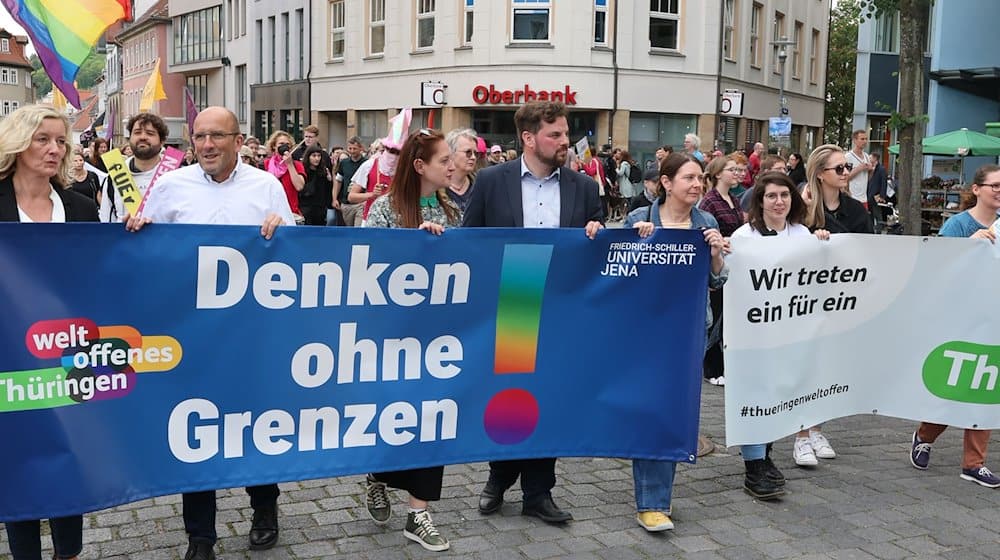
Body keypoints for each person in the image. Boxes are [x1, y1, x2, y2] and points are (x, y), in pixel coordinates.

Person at [124, 107, 294, 560]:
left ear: (239, 140)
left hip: (250, 334)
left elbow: (298, 258)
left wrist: (284, 232)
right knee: (193, 430)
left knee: (256, 425)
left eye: (217, 136)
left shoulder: (267, 186)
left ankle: (264, 507)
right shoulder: (171, 187)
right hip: (190, 336)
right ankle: (201, 536)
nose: (207, 145)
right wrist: (137, 232)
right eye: (200, 136)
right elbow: (148, 251)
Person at [463, 101, 603, 525]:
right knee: (510, 399)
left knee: (550, 398)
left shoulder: (583, 186)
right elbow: (469, 243)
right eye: (555, 135)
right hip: (514, 301)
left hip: (563, 307)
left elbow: (597, 243)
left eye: (565, 134)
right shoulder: (490, 181)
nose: (565, 141)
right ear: (528, 138)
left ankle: (539, 493)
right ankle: (498, 476)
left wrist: (597, 232)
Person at [0, 104, 98, 560]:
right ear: (18, 143)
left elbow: (101, 275)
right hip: (8, 358)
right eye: (43, 139)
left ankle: (69, 552)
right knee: (19, 462)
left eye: (61, 141)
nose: (55, 149)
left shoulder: (81, 207)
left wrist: (137, 234)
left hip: (67, 356)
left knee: (68, 457)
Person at [361, 133, 461, 551]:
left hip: (437, 340)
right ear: (420, 166)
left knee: (432, 419)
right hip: (390, 338)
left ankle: (418, 512)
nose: (453, 167)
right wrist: (413, 247)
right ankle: (377, 475)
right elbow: (363, 266)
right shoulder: (385, 209)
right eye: (444, 160)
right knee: (393, 418)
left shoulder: (452, 209)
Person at [624, 152, 727, 531]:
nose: (698, 184)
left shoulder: (707, 222)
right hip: (645, 333)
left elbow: (717, 282)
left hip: (689, 333)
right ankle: (651, 503)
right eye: (689, 178)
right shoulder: (639, 219)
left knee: (672, 413)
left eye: (700, 178)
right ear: (666, 182)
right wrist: (635, 244)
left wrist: (715, 255)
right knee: (652, 412)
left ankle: (655, 499)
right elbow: (616, 272)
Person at [731, 172, 830, 499]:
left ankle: (765, 455)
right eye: (771, 196)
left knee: (777, 395)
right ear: (759, 201)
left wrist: (826, 246)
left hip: (790, 334)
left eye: (784, 195)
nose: (779, 202)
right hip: (754, 334)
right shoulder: (744, 237)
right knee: (756, 394)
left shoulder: (803, 234)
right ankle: (754, 466)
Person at [909, 164, 1000, 488]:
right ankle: (924, 434)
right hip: (962, 319)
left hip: (994, 320)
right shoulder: (959, 225)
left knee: (987, 389)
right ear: (977, 189)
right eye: (995, 185)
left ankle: (974, 464)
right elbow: (939, 269)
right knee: (956, 388)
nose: (999, 191)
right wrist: (969, 247)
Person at [794, 143, 874, 467]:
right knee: (805, 364)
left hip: (841, 299)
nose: (846, 173)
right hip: (805, 300)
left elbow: (866, 247)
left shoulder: (855, 210)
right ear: (820, 174)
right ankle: (800, 434)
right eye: (839, 169)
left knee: (828, 365)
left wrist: (834, 238)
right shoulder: (802, 209)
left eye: (845, 167)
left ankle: (816, 427)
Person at [699, 154, 747, 387]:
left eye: (738, 170)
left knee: (727, 317)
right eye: (731, 170)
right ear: (718, 174)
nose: (736, 174)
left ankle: (723, 364)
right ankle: (710, 366)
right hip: (718, 262)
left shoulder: (734, 200)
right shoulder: (709, 201)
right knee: (716, 315)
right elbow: (704, 231)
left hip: (732, 264)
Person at [99, 112, 168, 223]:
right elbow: (106, 221)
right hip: (124, 239)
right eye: (137, 132)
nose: (143, 137)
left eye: (150, 133)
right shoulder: (115, 175)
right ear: (130, 138)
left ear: (162, 141)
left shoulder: (176, 173)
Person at [265, 130, 306, 220]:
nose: (284, 146)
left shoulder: (297, 165)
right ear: (274, 146)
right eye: (281, 144)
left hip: (291, 212)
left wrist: (289, 164)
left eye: (287, 144)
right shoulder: (265, 164)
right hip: (270, 213)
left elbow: (299, 186)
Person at [444, 127, 479, 213]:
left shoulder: (480, 184)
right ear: (451, 153)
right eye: (468, 152)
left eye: (476, 153)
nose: (473, 157)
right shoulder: (436, 187)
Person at [335, 136, 368, 226]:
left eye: (355, 149)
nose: (352, 151)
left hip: (360, 203)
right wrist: (334, 198)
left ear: (361, 148)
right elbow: (338, 181)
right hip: (346, 203)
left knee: (358, 229)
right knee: (349, 230)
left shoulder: (367, 163)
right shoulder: (344, 163)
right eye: (350, 148)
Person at [298, 144, 333, 225]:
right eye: (314, 156)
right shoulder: (303, 170)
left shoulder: (323, 171)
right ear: (308, 157)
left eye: (319, 156)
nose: (317, 158)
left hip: (320, 208)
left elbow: (327, 191)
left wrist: (329, 180)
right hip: (306, 207)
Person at [845, 129, 873, 208]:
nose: (865, 141)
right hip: (853, 197)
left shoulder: (866, 156)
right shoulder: (848, 157)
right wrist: (860, 168)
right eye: (862, 139)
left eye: (866, 139)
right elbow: (845, 177)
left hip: (864, 198)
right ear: (855, 140)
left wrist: (871, 170)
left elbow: (868, 178)